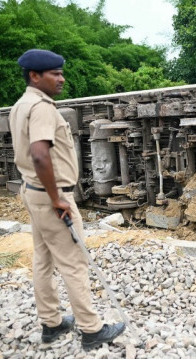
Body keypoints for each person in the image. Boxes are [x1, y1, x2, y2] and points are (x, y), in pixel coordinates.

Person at [9, 49, 125, 350]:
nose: (62, 78)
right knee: (75, 263)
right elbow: (39, 154)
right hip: (50, 196)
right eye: (55, 73)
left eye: (61, 72)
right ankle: (91, 330)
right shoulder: (43, 107)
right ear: (35, 76)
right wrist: (57, 198)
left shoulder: (20, 105)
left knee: (43, 260)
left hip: (32, 194)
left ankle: (52, 323)